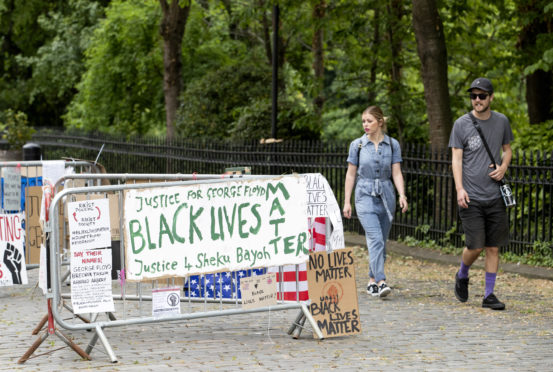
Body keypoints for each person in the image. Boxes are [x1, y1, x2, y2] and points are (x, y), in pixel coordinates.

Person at [449, 77, 514, 310]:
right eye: (473, 96)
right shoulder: (461, 124)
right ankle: (462, 274)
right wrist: (459, 189)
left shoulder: (502, 122)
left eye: (482, 96)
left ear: (491, 98)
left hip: (494, 195)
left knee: (493, 246)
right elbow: (456, 160)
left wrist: (503, 166)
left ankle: (488, 295)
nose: (477, 100)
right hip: (471, 196)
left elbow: (507, 151)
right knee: (475, 246)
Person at [343, 105, 408, 298]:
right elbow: (350, 174)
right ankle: (381, 281)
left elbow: (396, 172)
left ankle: (371, 280)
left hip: (386, 195)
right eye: (363, 121)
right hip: (364, 194)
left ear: (380, 122)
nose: (365, 125)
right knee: (375, 238)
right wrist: (347, 201)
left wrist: (402, 195)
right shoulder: (358, 145)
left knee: (381, 241)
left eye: (369, 121)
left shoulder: (393, 144)